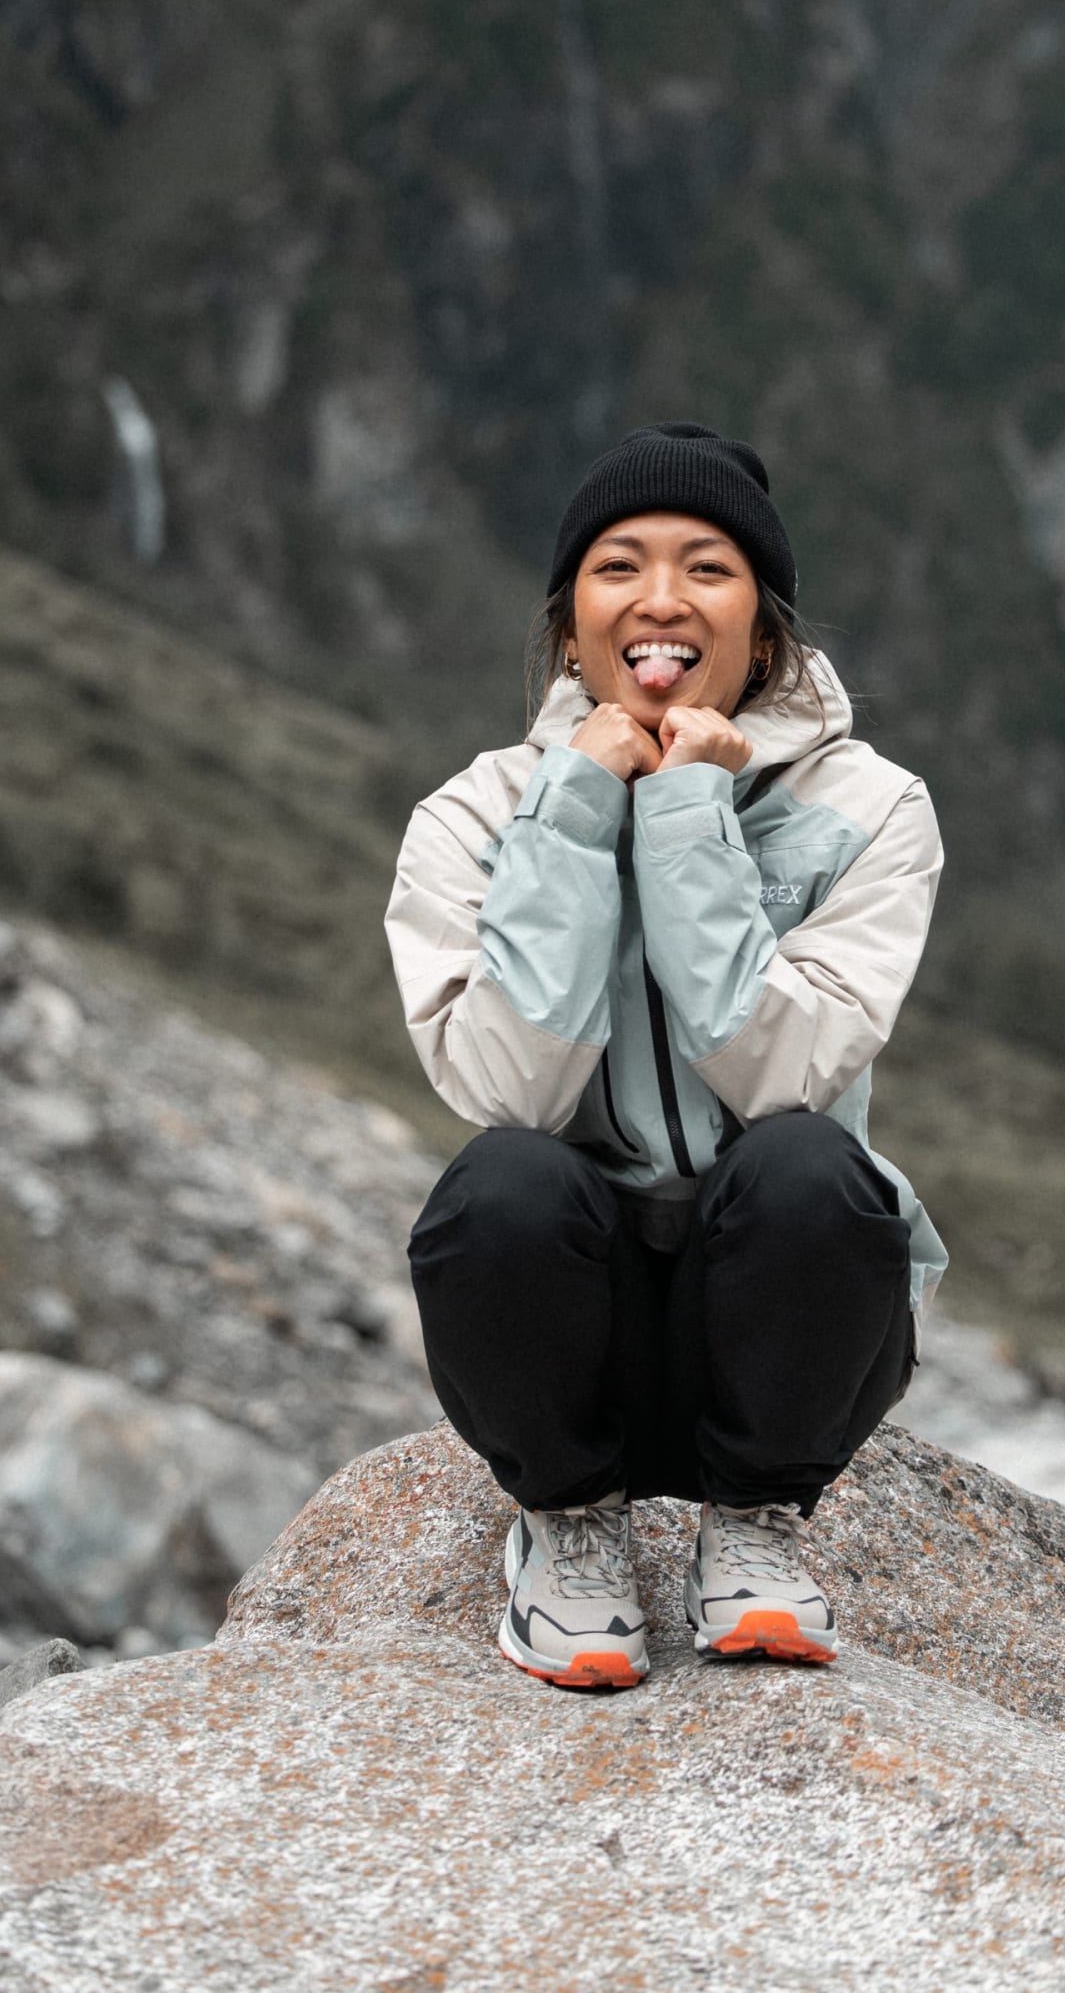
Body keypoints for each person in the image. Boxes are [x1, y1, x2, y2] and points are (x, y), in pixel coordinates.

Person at [385, 421, 946, 1690]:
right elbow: (506, 1088)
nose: (659, 600)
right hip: (576, 1330)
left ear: (767, 632)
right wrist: (577, 811)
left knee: (810, 1165)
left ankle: (754, 1526)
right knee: (500, 1183)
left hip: (786, 1335)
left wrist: (687, 811)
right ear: (567, 628)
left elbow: (780, 1074)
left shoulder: (870, 809)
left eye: (706, 568)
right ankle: (568, 1529)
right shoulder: (472, 816)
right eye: (617, 566)